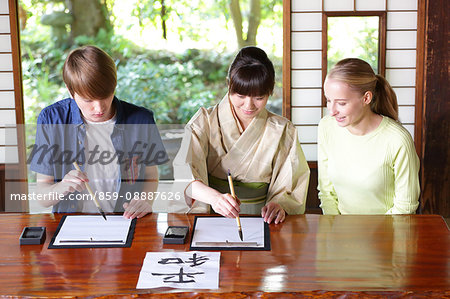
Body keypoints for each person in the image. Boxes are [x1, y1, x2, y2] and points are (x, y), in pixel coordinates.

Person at [173, 46, 310, 224]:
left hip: (262, 219)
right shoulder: (204, 121)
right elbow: (184, 174)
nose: (249, 105)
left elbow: (291, 183)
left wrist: (280, 204)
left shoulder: (283, 130)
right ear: (229, 84)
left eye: (259, 97)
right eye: (241, 95)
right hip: (211, 213)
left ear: (270, 92)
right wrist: (215, 199)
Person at [29, 45, 168, 219]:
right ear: (71, 91)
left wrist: (144, 200)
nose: (99, 107)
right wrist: (62, 186)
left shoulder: (141, 120)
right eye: (88, 100)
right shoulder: (52, 119)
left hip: (125, 222)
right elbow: (42, 195)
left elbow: (150, 176)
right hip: (71, 227)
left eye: (106, 96)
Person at [318, 58, 420, 215]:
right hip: (339, 232)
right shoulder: (327, 127)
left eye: (342, 103)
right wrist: (335, 230)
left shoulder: (398, 139)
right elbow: (326, 192)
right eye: (328, 100)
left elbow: (405, 206)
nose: (332, 111)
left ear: (366, 98)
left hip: (387, 234)